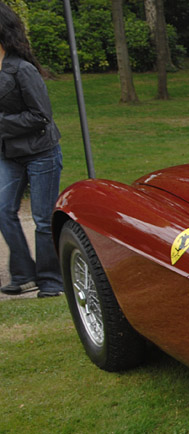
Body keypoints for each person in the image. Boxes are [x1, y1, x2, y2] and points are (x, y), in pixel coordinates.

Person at [0, 2, 63, 298]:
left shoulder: (22, 69)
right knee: (3, 211)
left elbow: (41, 117)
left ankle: (51, 279)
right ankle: (24, 274)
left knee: (42, 218)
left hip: (41, 152)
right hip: (9, 154)